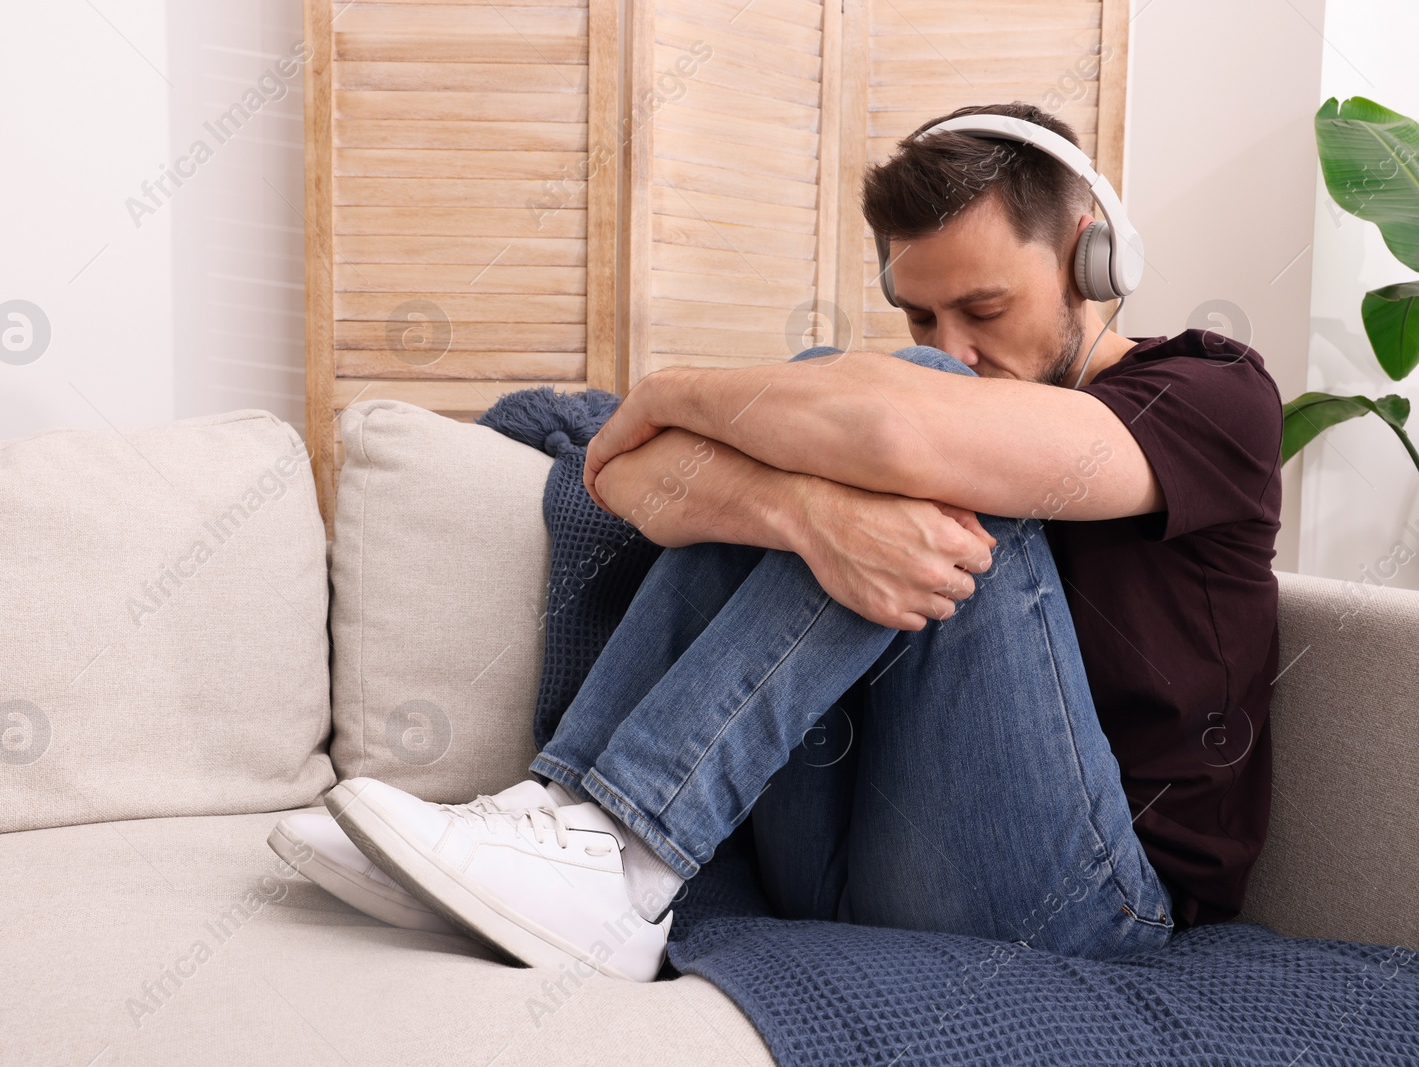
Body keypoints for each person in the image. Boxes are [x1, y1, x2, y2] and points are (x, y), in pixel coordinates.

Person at [272, 101, 1284, 984]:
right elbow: (624, 477)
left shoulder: (1212, 395)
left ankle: (621, 853)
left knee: (904, 430)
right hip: (850, 854)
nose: (956, 342)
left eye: (984, 307)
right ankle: (577, 817)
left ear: (1091, 253)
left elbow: (898, 432)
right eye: (921, 310)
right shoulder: (911, 397)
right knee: (818, 417)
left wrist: (667, 391)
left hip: (1086, 901)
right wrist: (805, 513)